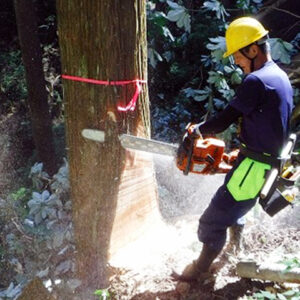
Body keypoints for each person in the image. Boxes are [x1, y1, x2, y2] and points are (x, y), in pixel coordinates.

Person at [175, 16, 293, 282]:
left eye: (238, 56)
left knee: (211, 221)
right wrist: (243, 153)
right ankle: (234, 247)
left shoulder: (257, 81)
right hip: (263, 163)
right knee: (236, 205)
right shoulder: (280, 77)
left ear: (252, 50)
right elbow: (269, 125)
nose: (236, 63)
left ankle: (198, 272)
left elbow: (225, 118)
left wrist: (196, 131)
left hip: (254, 168)